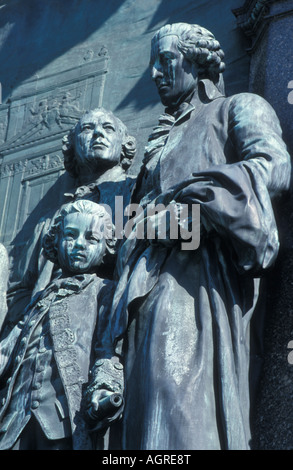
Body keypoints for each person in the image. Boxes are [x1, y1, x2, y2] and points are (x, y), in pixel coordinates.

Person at [110, 23, 291, 450]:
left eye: (165, 60)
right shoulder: (158, 142)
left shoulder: (237, 107)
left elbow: (276, 165)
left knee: (176, 404)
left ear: (196, 61)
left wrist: (200, 206)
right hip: (138, 287)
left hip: (194, 281)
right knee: (138, 426)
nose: (154, 72)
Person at [0, 200, 123, 450]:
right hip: (14, 422)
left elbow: (107, 349)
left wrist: (104, 389)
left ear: (106, 248)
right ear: (55, 241)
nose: (79, 244)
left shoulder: (104, 292)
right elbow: (8, 348)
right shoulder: (39, 299)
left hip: (63, 422)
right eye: (70, 235)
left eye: (91, 239)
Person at [4, 108, 136, 335]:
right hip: (41, 335)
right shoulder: (49, 222)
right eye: (87, 128)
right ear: (73, 146)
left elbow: (182, 235)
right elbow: (21, 290)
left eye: (108, 128)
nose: (97, 134)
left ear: (124, 144)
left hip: (107, 325)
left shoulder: (140, 194)